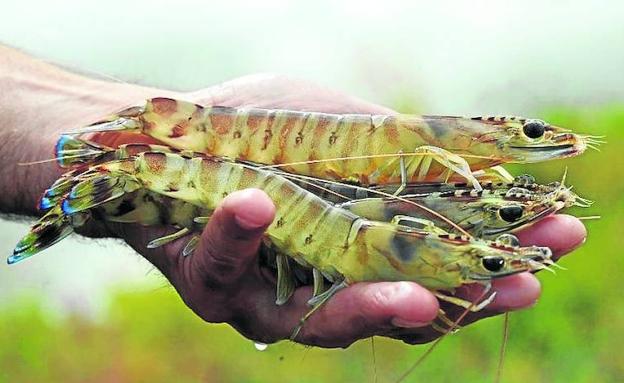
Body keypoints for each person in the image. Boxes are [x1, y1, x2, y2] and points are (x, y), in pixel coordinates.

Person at [0, 45, 586, 348]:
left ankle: (99, 168)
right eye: (528, 133)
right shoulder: (420, 150)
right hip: (208, 157)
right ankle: (102, 169)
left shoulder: (437, 165)